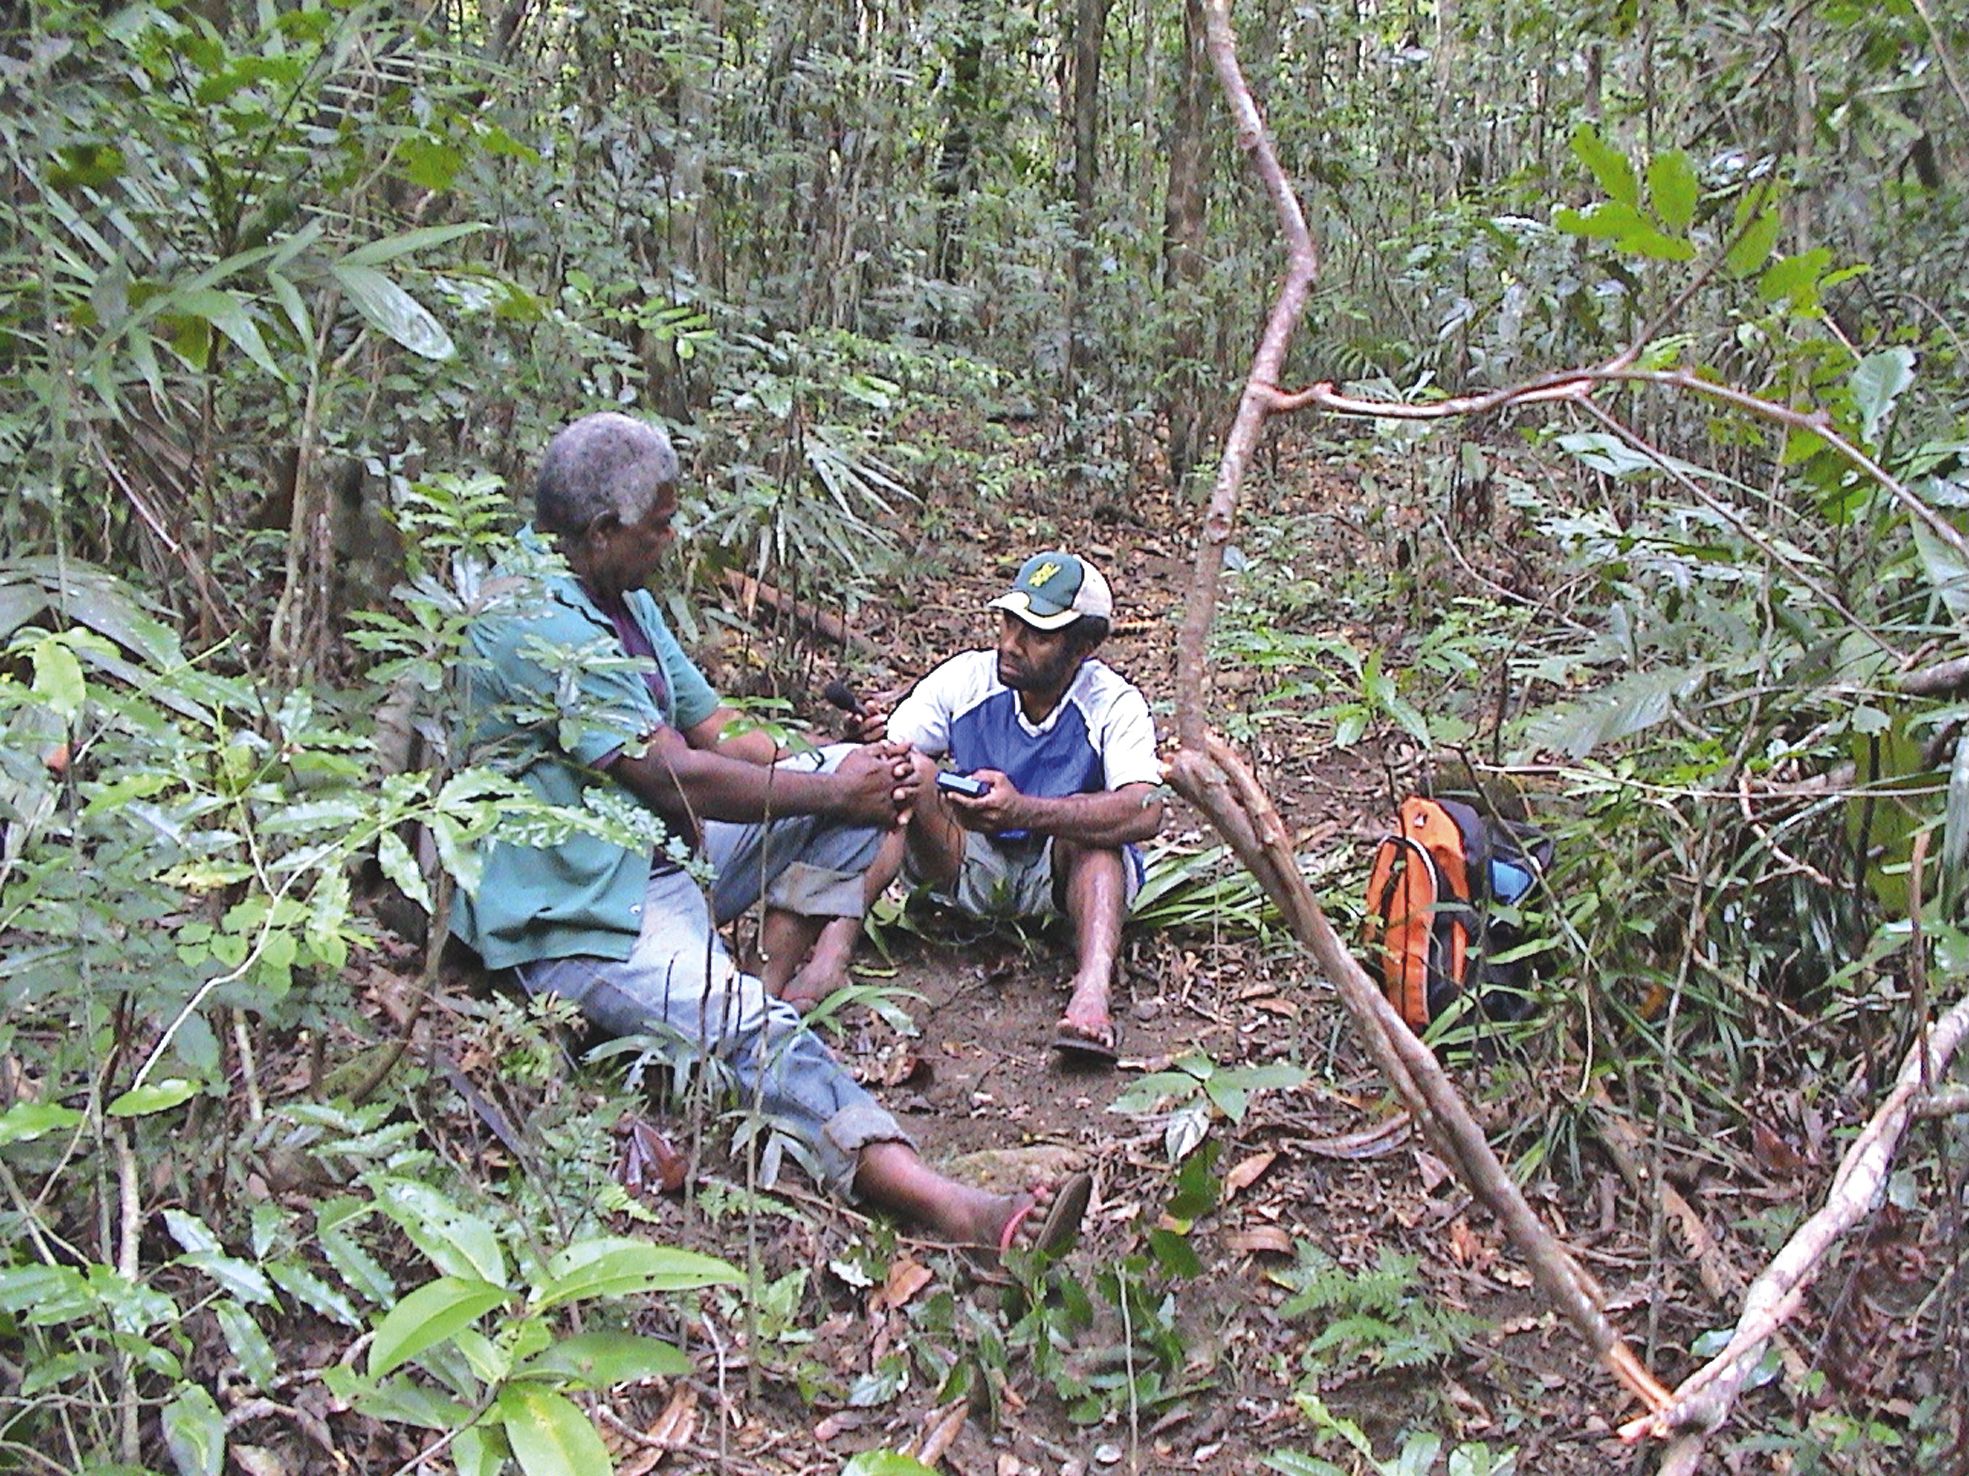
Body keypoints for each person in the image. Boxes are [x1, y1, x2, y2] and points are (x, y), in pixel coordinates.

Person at [451, 411, 1087, 1250]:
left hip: (659, 856)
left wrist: (839, 767)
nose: (672, 540)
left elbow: (716, 733)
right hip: (579, 914)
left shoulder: (621, 599)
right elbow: (670, 771)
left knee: (853, 785)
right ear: (604, 531)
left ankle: (774, 988)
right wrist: (821, 794)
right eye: (661, 524)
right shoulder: (534, 618)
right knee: (752, 1007)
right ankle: (947, 1205)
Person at [852, 551, 1165, 1062]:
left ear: (1084, 646)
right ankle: (832, 942)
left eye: (1036, 634)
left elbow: (1145, 810)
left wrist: (1026, 811)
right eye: (1009, 622)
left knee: (1100, 835)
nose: (1010, 644)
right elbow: (889, 756)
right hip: (966, 861)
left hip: (1059, 882)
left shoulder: (1113, 704)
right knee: (906, 773)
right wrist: (871, 744)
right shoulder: (967, 680)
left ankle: (1091, 993)